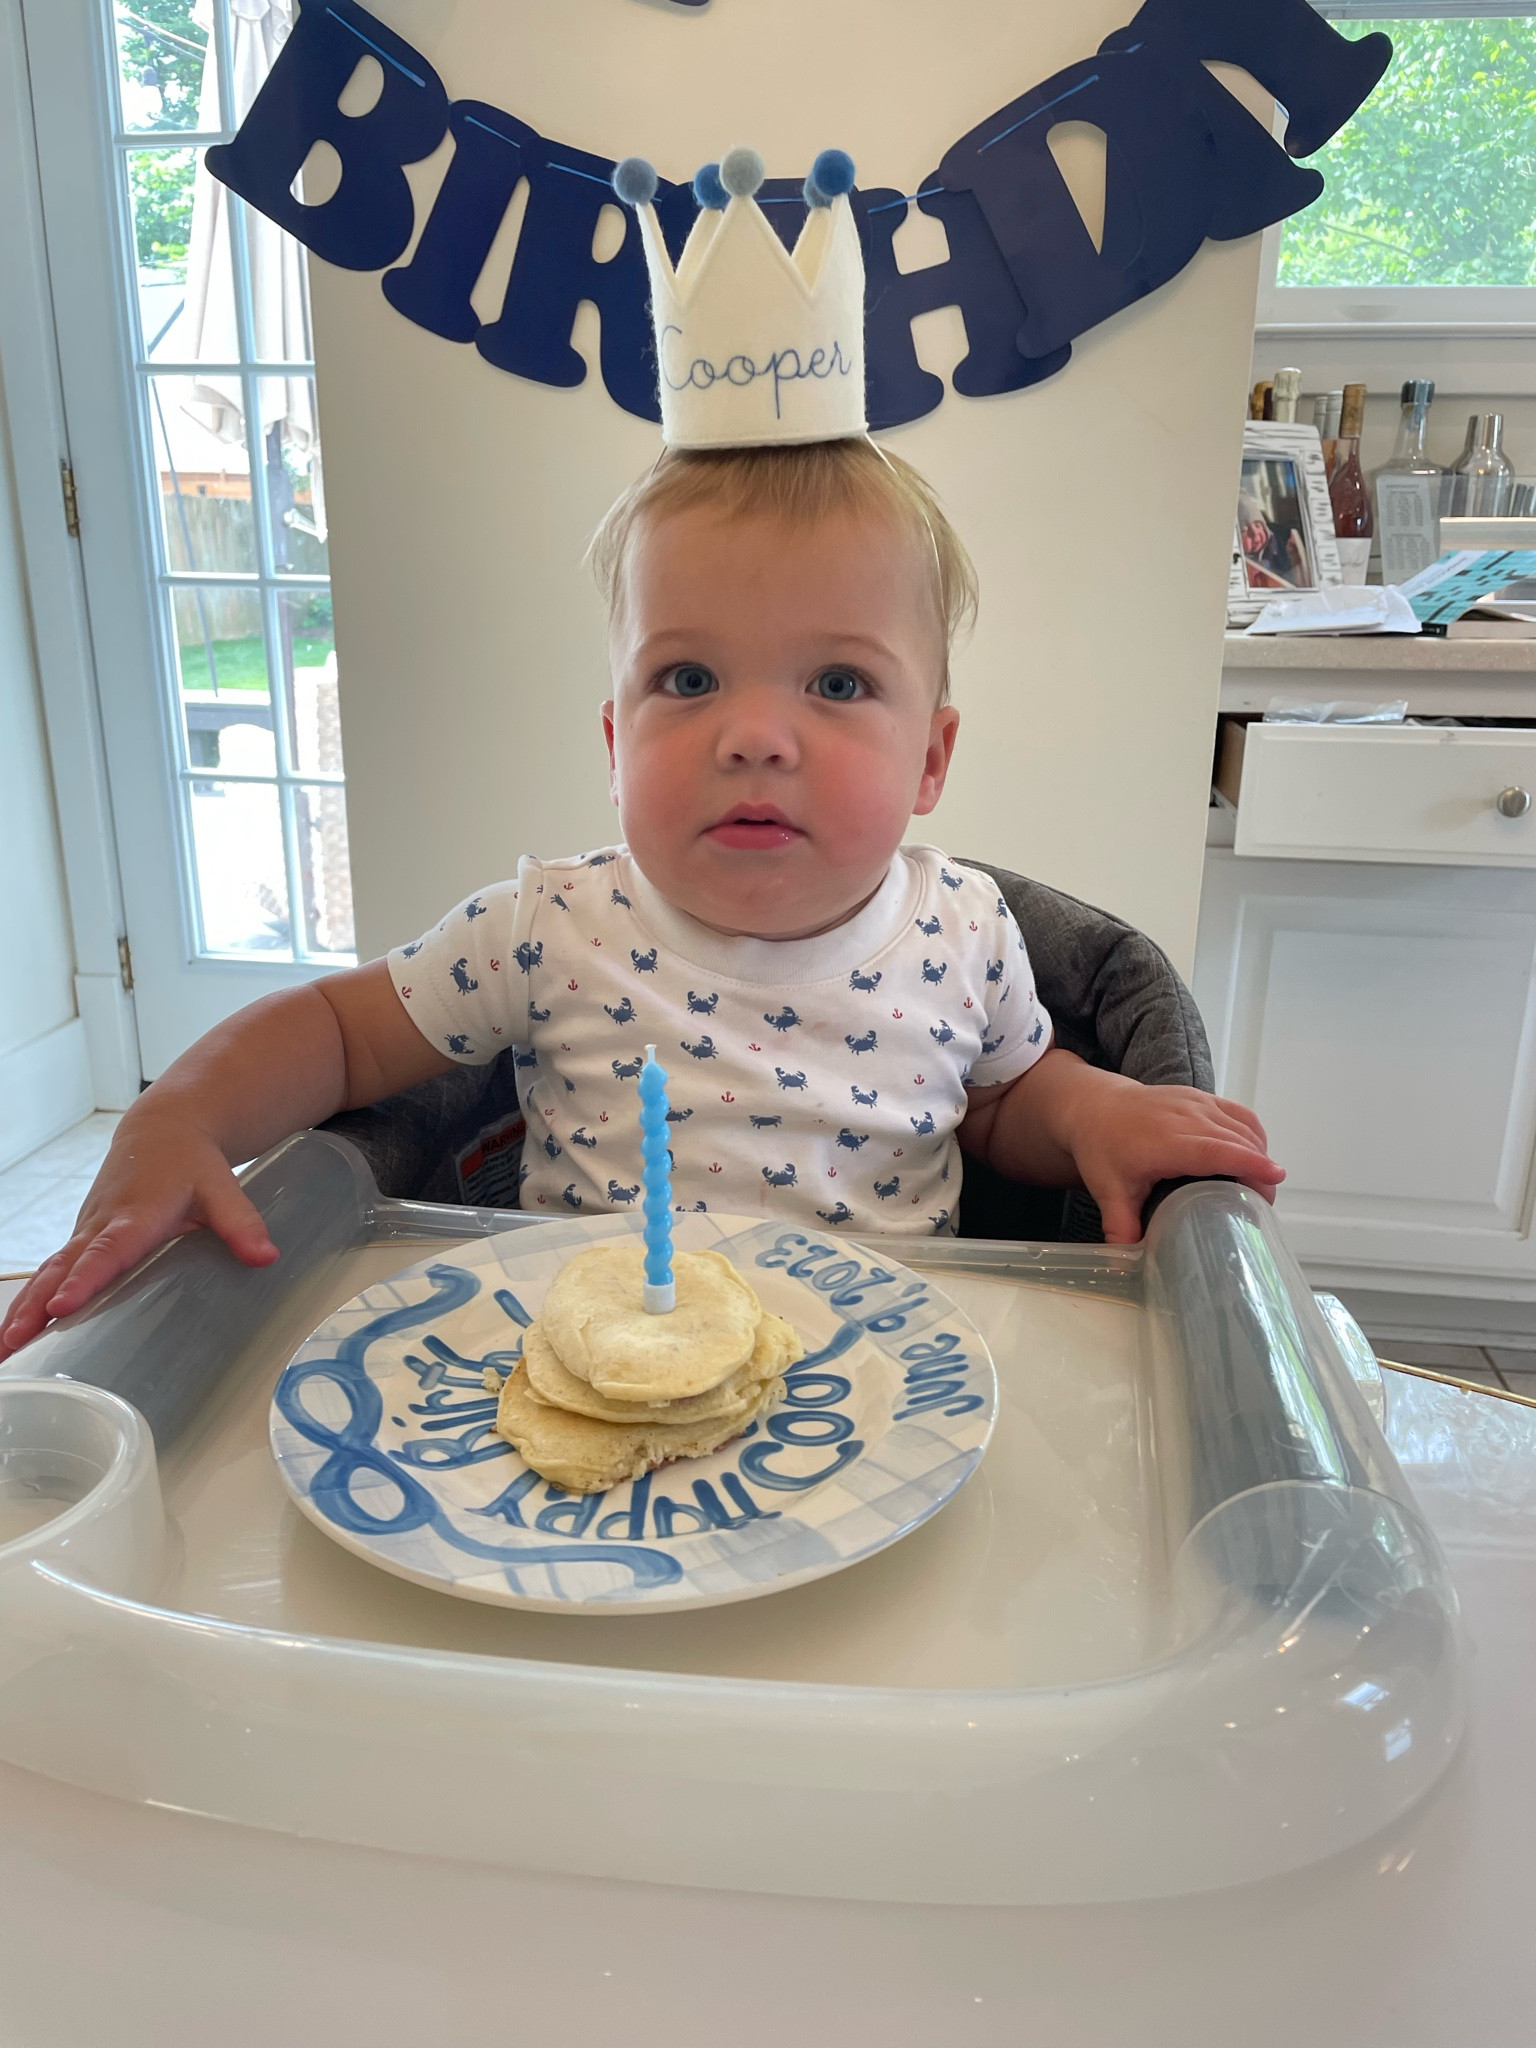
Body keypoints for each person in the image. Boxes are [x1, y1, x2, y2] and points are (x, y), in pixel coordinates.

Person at [0, 149, 1282, 1361]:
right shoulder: (546, 928)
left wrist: (1095, 1111)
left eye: (838, 682)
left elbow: (1000, 1103)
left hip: (885, 1408)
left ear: (932, 758)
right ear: (616, 741)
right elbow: (336, 1037)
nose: (755, 733)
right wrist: (179, 1116)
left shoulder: (969, 931)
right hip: (590, 1398)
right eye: (687, 678)